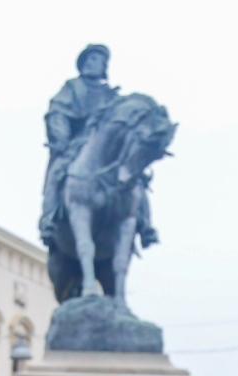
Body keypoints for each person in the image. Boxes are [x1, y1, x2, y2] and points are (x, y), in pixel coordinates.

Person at [39, 43, 157, 250]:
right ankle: (48, 219)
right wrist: (62, 139)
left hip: (109, 152)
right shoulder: (72, 88)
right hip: (76, 147)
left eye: (98, 60)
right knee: (57, 171)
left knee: (135, 180)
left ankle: (145, 225)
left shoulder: (111, 96)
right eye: (89, 59)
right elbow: (57, 113)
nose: (92, 64)